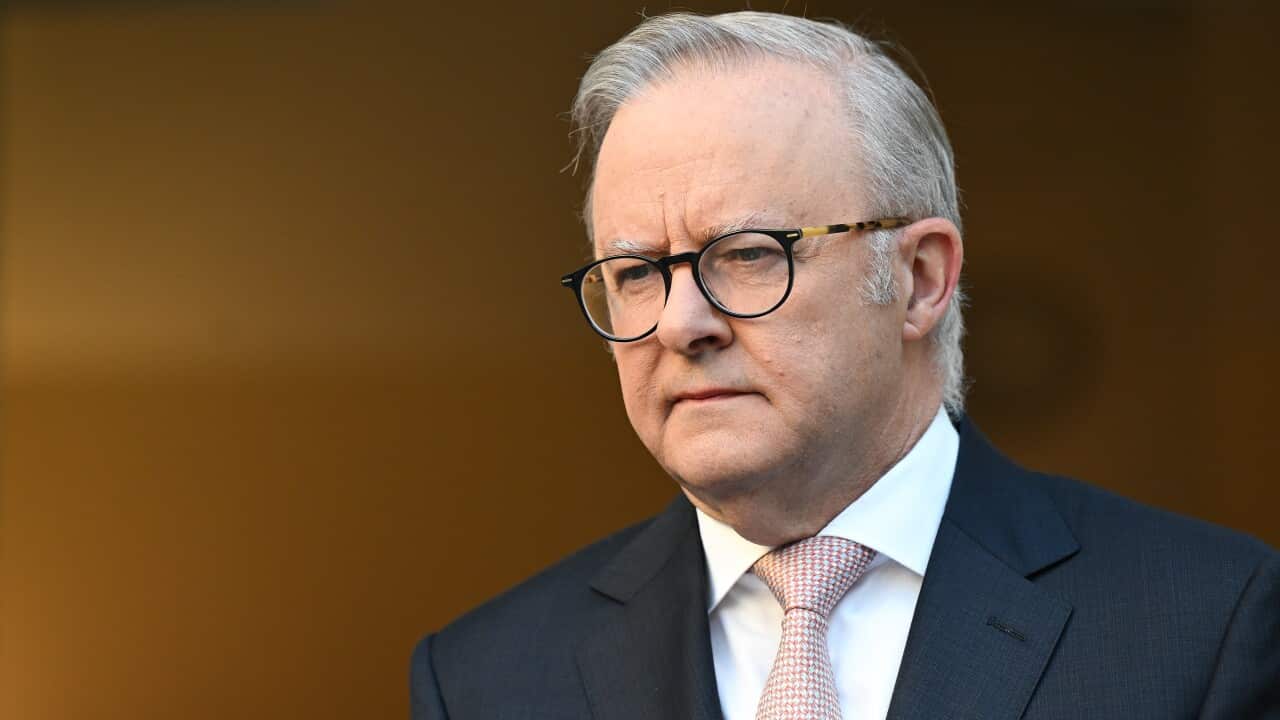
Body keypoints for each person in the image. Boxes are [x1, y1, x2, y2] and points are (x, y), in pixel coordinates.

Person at [410, 11, 1279, 719]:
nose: (680, 324)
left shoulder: (1207, 625)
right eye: (636, 273)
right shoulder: (486, 680)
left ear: (919, 278)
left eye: (748, 254)